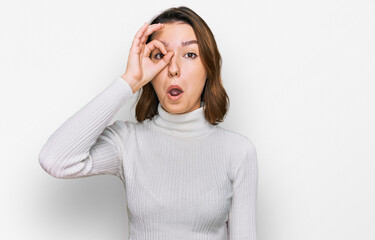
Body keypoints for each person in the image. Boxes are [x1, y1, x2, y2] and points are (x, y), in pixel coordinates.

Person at [38, 6, 258, 240]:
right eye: (161, 56)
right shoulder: (127, 142)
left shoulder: (238, 151)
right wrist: (130, 81)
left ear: (208, 67)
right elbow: (55, 160)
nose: (173, 69)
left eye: (190, 54)